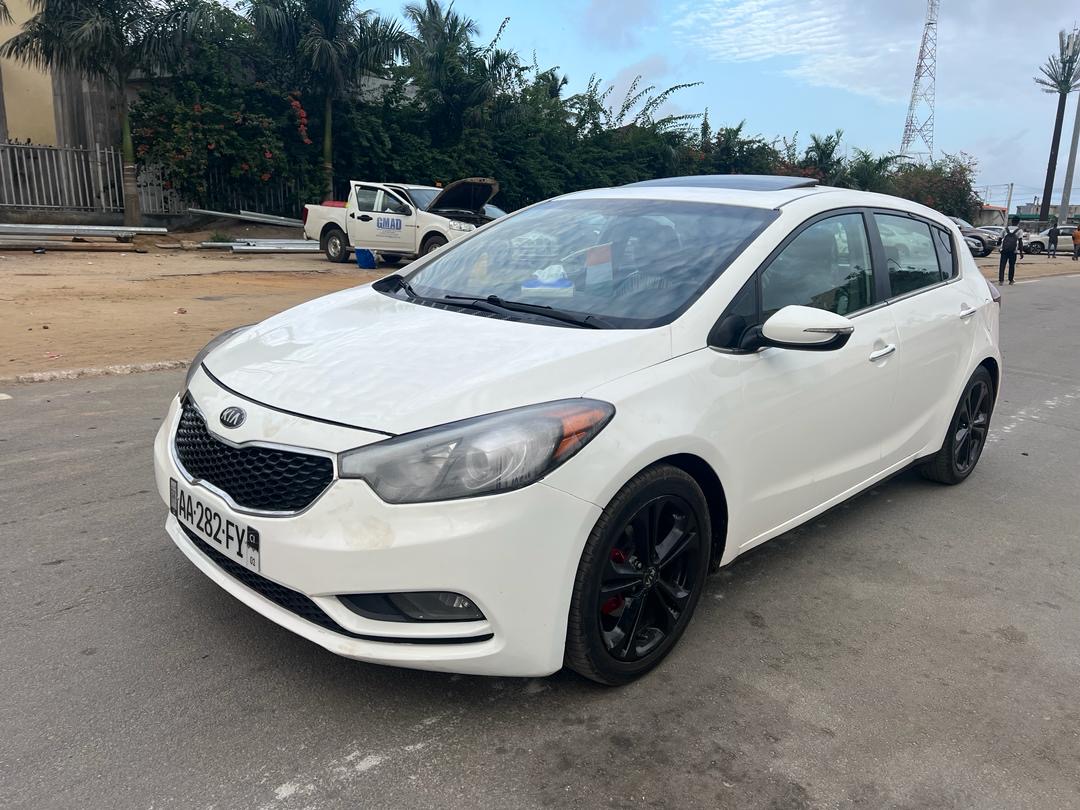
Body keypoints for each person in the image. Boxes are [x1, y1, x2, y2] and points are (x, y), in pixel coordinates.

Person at [998, 216, 1024, 285]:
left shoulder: (1005, 229)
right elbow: (1020, 242)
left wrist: (999, 248)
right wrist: (1021, 252)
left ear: (1011, 221)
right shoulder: (1019, 230)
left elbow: (1000, 239)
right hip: (1013, 251)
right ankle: (1011, 280)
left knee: (1002, 265)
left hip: (1004, 250)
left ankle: (1001, 280)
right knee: (1012, 265)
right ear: (1018, 222)